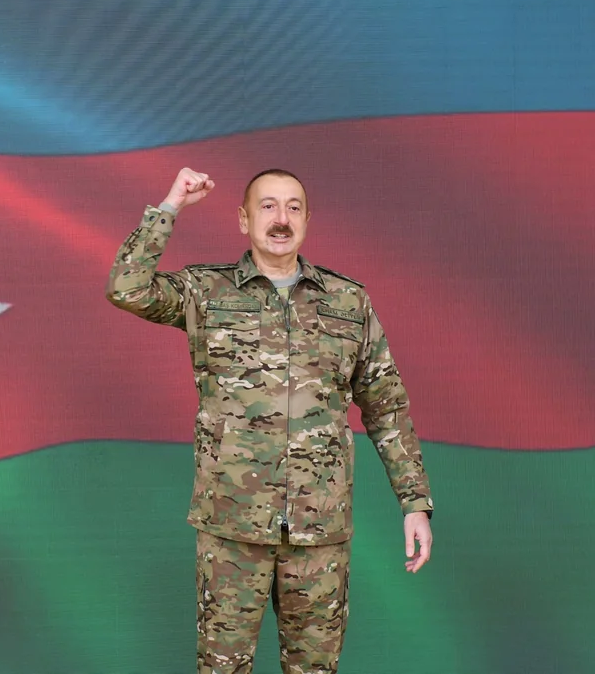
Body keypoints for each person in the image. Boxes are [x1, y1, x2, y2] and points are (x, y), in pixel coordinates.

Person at [106, 167, 434, 674]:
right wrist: (170, 206)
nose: (281, 218)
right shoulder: (206, 291)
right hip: (232, 528)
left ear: (307, 220)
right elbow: (127, 288)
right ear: (243, 219)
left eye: (293, 207)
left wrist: (414, 503)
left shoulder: (348, 302)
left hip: (318, 530)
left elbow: (386, 407)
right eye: (267, 206)